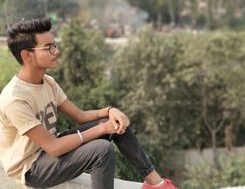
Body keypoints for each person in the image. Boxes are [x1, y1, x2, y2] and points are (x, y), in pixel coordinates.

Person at [0, 18, 178, 189]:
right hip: (32, 168)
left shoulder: (48, 82)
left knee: (115, 124)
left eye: (54, 45)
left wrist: (110, 111)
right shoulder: (15, 99)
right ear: (26, 55)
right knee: (102, 150)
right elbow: (53, 147)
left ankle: (157, 184)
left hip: (50, 150)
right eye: (49, 48)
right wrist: (101, 129)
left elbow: (80, 116)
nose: (56, 51)